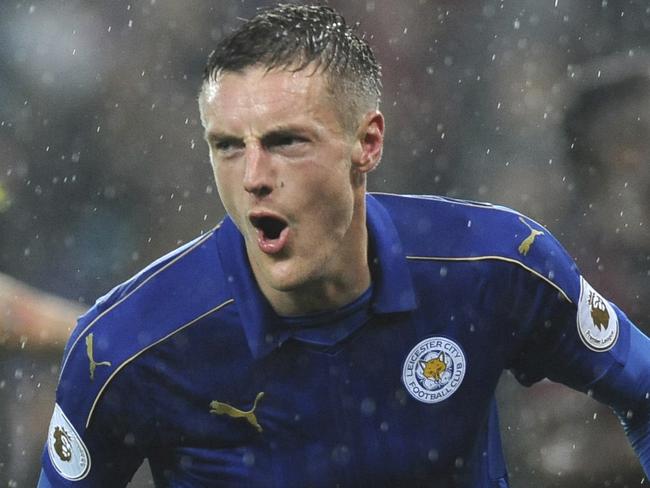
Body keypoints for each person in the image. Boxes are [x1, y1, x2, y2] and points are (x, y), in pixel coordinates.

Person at [38, 4, 649, 487]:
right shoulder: (127, 346)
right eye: (226, 145)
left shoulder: (493, 265)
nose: (253, 175)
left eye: (285, 142)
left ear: (368, 143)